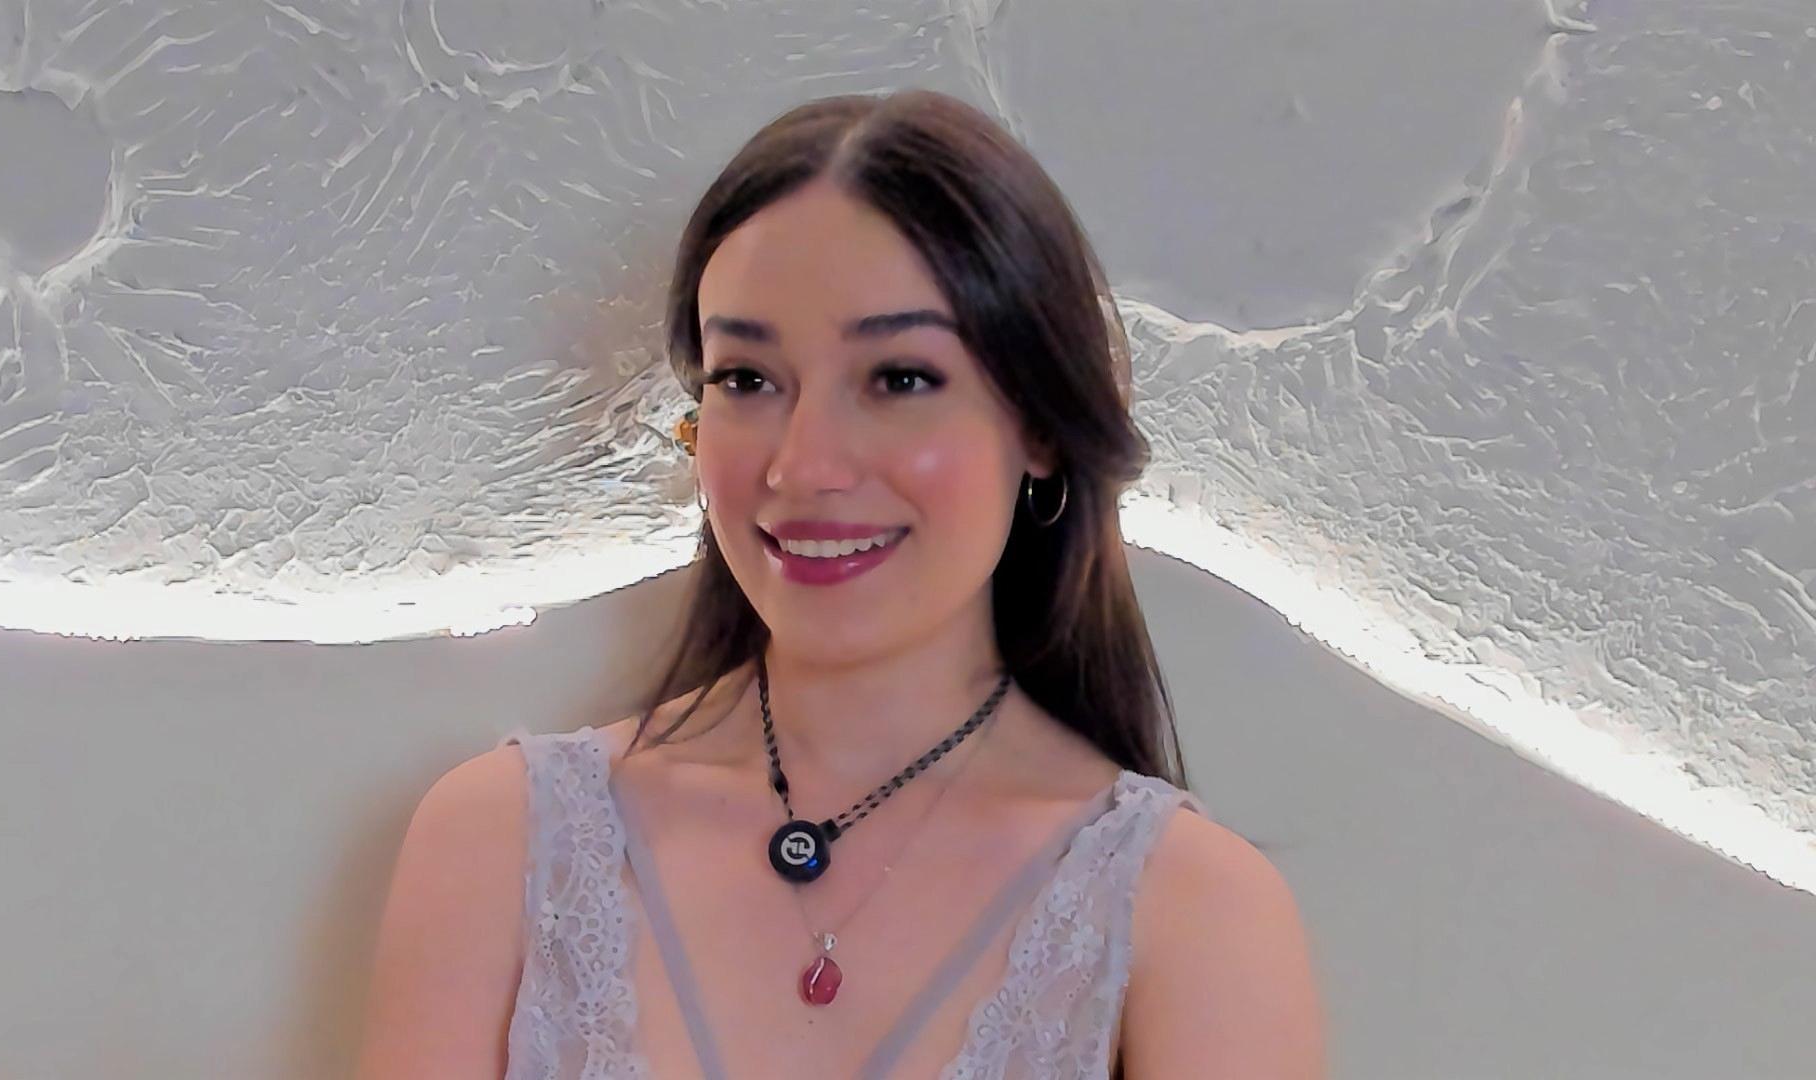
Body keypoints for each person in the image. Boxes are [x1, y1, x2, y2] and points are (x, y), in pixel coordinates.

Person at [354, 87, 1325, 1079]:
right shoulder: (501, 843)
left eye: (899, 378)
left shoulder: (1192, 911)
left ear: (1038, 425)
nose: (803, 466)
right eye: (747, 379)